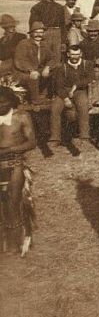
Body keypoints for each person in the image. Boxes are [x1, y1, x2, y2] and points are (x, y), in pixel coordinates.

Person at [0, 83, 36, 256]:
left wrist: (9, 150)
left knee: (13, 203)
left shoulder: (21, 117)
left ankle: (15, 244)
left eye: (3, 102)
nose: (0, 106)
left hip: (14, 164)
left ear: (11, 101)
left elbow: (31, 142)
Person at [49, 44, 95, 149]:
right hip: (63, 91)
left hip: (79, 90)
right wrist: (65, 99)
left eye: (77, 54)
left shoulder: (86, 64)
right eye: (72, 55)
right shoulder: (62, 67)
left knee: (83, 105)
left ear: (81, 54)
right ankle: (55, 138)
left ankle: (84, 137)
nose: (75, 57)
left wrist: (76, 85)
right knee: (54, 108)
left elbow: (90, 78)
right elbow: (58, 85)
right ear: (68, 54)